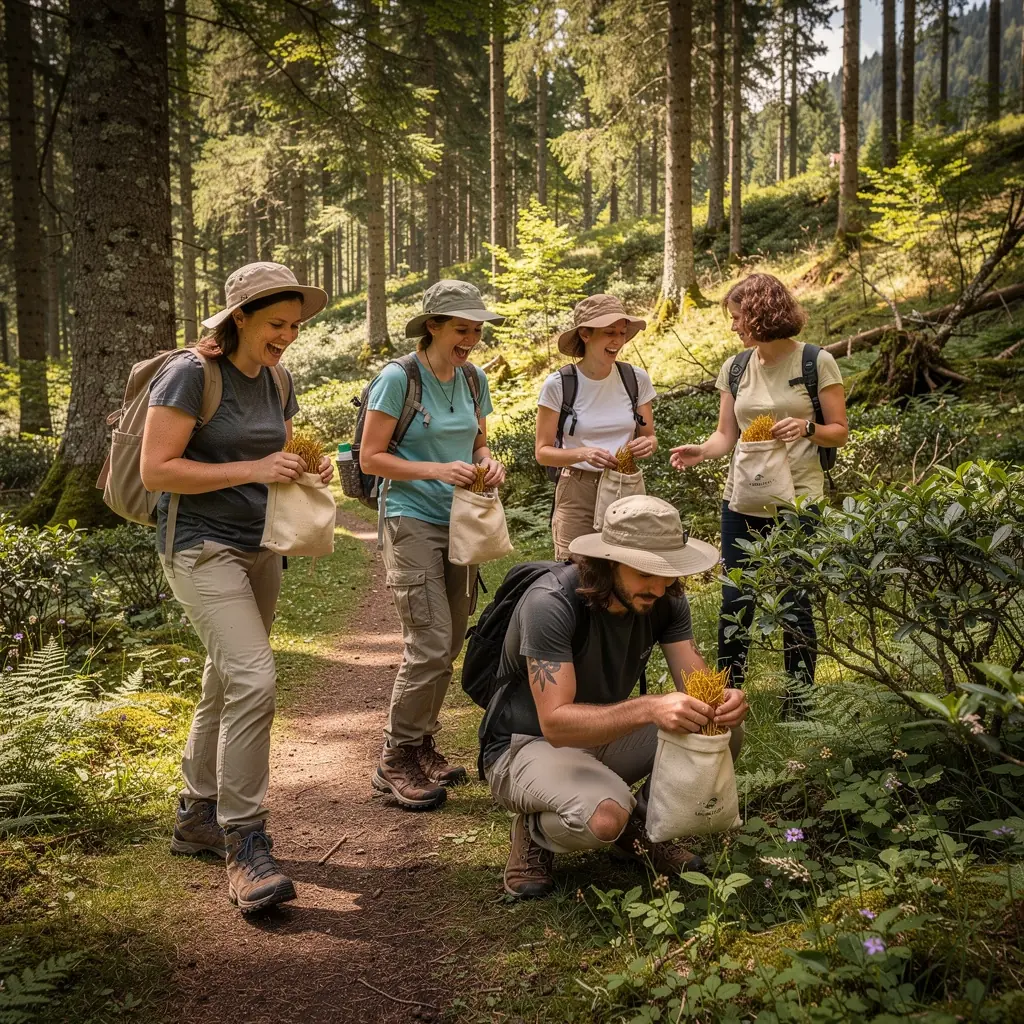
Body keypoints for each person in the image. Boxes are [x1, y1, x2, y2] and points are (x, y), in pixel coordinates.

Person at [140, 261, 333, 913]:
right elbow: (157, 468)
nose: (288, 336)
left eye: (295, 326)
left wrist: (306, 466)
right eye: (277, 324)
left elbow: (275, 450)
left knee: (225, 679)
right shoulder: (191, 373)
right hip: (198, 546)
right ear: (239, 318)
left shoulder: (278, 379)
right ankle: (245, 841)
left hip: (260, 545)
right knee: (254, 678)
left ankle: (197, 813)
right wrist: (254, 465)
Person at [480, 496, 749, 898]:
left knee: (723, 732)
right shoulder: (550, 603)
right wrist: (649, 707)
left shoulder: (664, 598)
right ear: (608, 563)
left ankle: (641, 828)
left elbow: (694, 679)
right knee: (604, 820)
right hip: (527, 744)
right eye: (646, 572)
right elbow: (555, 724)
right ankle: (535, 828)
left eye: (668, 571)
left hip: (603, 735)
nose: (659, 586)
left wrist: (720, 701)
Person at [670, 272, 849, 714]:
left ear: (760, 313)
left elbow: (839, 432)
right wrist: (700, 451)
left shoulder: (815, 361)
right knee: (737, 597)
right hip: (743, 499)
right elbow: (724, 436)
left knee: (795, 599)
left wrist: (807, 428)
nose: (733, 326)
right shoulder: (735, 367)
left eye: (737, 317)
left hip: (799, 499)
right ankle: (726, 699)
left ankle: (799, 702)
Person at [360, 280, 506, 812]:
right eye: (462, 328)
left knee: (448, 643)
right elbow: (370, 457)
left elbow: (478, 441)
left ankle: (422, 745)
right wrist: (434, 470)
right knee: (429, 639)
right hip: (410, 518)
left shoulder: (472, 378)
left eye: (477, 329)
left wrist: (489, 463)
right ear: (433, 327)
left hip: (462, 522)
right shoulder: (398, 379)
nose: (472, 338)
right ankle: (394, 759)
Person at [536, 294, 657, 558]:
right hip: (577, 489)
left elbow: (650, 436)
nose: (617, 340)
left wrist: (647, 444)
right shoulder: (559, 384)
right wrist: (584, 453)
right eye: (609, 332)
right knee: (575, 573)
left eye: (622, 333)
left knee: (625, 568)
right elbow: (543, 451)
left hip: (626, 486)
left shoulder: (635, 379)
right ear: (585, 334)